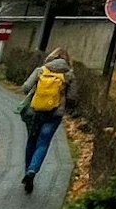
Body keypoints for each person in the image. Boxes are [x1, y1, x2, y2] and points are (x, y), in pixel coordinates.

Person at [19, 48, 76, 193]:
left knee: (31, 141)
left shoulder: (41, 70)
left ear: (51, 57)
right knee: (43, 143)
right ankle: (32, 170)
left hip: (34, 112)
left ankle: (27, 173)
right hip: (54, 114)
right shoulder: (68, 75)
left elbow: (25, 88)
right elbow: (72, 97)